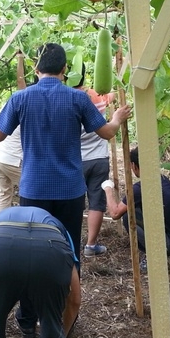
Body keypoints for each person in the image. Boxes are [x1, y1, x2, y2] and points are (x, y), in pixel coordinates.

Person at [0, 42, 131, 333]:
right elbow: (107, 132)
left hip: (33, 190)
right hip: (70, 191)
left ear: (36, 70)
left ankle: (26, 320)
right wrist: (117, 118)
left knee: (31, 252)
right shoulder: (78, 99)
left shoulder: (20, 99)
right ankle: (63, 318)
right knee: (68, 251)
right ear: (64, 70)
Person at [0, 206, 81, 338]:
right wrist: (59, 335)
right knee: (52, 334)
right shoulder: (61, 231)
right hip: (50, 252)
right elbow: (75, 299)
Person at [103, 146, 170, 271]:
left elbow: (115, 213)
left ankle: (153, 255)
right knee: (133, 209)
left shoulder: (141, 188)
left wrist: (108, 189)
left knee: (128, 216)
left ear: (134, 165)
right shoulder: (162, 179)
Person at [73, 68, 116, 257]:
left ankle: (70, 242)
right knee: (96, 202)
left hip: (76, 160)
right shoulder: (96, 95)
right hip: (98, 157)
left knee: (74, 202)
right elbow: (110, 96)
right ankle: (90, 245)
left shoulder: (67, 100)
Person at [0, 52, 26, 213]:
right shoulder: (24, 104)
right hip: (12, 160)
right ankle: (29, 224)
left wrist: (20, 59)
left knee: (4, 192)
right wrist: (20, 60)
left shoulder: (8, 105)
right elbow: (21, 84)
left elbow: (20, 84)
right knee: (30, 190)